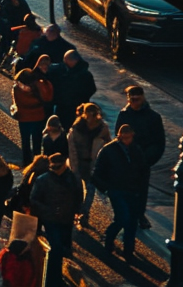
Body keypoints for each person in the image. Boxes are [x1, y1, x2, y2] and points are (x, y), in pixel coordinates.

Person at [93, 124, 150, 260]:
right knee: (123, 218)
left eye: (128, 138)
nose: (126, 141)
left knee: (131, 221)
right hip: (117, 189)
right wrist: (106, 188)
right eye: (124, 138)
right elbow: (97, 173)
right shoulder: (109, 150)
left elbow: (143, 169)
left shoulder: (135, 149)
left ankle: (128, 251)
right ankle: (109, 238)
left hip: (133, 189)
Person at [113, 85, 165, 230]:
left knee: (141, 191)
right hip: (127, 161)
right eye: (132, 99)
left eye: (137, 99)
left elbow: (159, 144)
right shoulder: (124, 115)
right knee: (126, 190)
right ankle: (128, 215)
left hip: (142, 162)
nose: (134, 102)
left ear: (142, 98)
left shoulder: (153, 117)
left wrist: (145, 160)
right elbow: (118, 138)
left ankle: (139, 215)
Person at [31, 153, 81, 286]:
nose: (55, 171)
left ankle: (55, 276)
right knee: (56, 247)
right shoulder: (43, 180)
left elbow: (78, 196)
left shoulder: (73, 178)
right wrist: (48, 210)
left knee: (62, 248)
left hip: (66, 219)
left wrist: (76, 211)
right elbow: (34, 199)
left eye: (58, 167)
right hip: (51, 219)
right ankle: (52, 279)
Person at [67, 104, 108, 229]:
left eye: (93, 114)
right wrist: (73, 164)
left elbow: (108, 145)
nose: (90, 117)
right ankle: (77, 211)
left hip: (93, 163)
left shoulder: (102, 128)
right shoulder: (77, 127)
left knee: (90, 191)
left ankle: (84, 214)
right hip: (78, 162)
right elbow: (71, 147)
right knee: (78, 190)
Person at [12, 67, 54, 165]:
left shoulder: (17, 88)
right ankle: (36, 161)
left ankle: (27, 161)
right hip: (37, 117)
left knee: (26, 140)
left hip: (24, 117)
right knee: (36, 140)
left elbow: (18, 102)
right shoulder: (37, 87)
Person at [52, 50, 97, 129]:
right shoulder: (83, 73)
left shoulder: (84, 75)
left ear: (73, 60)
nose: (64, 63)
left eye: (66, 60)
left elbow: (91, 89)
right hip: (64, 107)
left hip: (74, 108)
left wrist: (78, 98)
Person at [0, 0, 32, 71]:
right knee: (3, 46)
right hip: (8, 30)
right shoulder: (6, 3)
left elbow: (28, 19)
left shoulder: (22, 5)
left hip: (18, 30)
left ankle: (7, 64)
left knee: (14, 48)